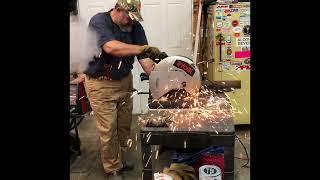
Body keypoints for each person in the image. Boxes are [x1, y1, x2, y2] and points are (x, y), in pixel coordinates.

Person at [83, 0, 165, 178]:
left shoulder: (134, 26)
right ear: (118, 10)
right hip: (100, 84)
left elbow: (144, 59)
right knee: (109, 128)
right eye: (129, 17)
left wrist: (162, 73)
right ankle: (112, 167)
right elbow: (110, 47)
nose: (132, 22)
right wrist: (142, 48)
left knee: (124, 124)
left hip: (124, 81)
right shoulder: (99, 21)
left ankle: (120, 157)